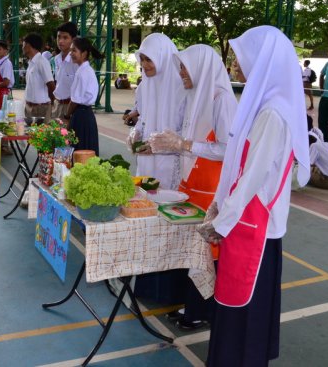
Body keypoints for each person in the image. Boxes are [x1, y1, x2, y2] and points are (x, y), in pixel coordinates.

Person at [199, 26, 310, 366]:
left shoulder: (274, 114)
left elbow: (253, 177)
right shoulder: (262, 104)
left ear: (263, 60)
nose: (234, 62)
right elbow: (238, 165)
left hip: (255, 227)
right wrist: (220, 205)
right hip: (245, 218)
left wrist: (223, 218)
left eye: (240, 56)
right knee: (237, 303)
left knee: (246, 304)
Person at [148, 44, 238, 329]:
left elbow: (227, 148)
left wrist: (184, 144)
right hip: (193, 183)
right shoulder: (196, 96)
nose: (181, 73)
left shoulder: (221, 99)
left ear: (201, 67)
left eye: (185, 67)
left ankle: (203, 311)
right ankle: (192, 305)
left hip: (210, 186)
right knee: (193, 248)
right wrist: (174, 140)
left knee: (207, 252)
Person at [127, 32, 183, 190]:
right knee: (144, 202)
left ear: (163, 57)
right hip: (145, 162)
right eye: (142, 60)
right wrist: (135, 134)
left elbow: (187, 129)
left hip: (170, 164)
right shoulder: (144, 87)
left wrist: (162, 145)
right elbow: (143, 119)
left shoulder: (182, 89)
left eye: (149, 59)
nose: (145, 65)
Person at [64, 37, 101, 155]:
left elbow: (75, 100)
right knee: (84, 151)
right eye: (71, 50)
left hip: (81, 116)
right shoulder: (84, 70)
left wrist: (67, 116)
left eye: (74, 50)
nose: (71, 54)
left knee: (80, 151)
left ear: (84, 53)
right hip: (84, 115)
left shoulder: (83, 72)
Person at [23, 33, 55, 122]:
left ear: (28, 45)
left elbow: (51, 84)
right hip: (29, 107)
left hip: (41, 108)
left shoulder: (42, 62)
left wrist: (51, 105)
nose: (22, 48)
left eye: (23, 45)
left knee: (41, 135)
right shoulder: (31, 63)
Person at [52, 22, 78, 122]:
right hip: (57, 105)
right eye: (59, 37)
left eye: (65, 37)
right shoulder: (56, 59)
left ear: (73, 40)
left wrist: (68, 114)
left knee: (69, 137)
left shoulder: (76, 62)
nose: (60, 41)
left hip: (70, 108)